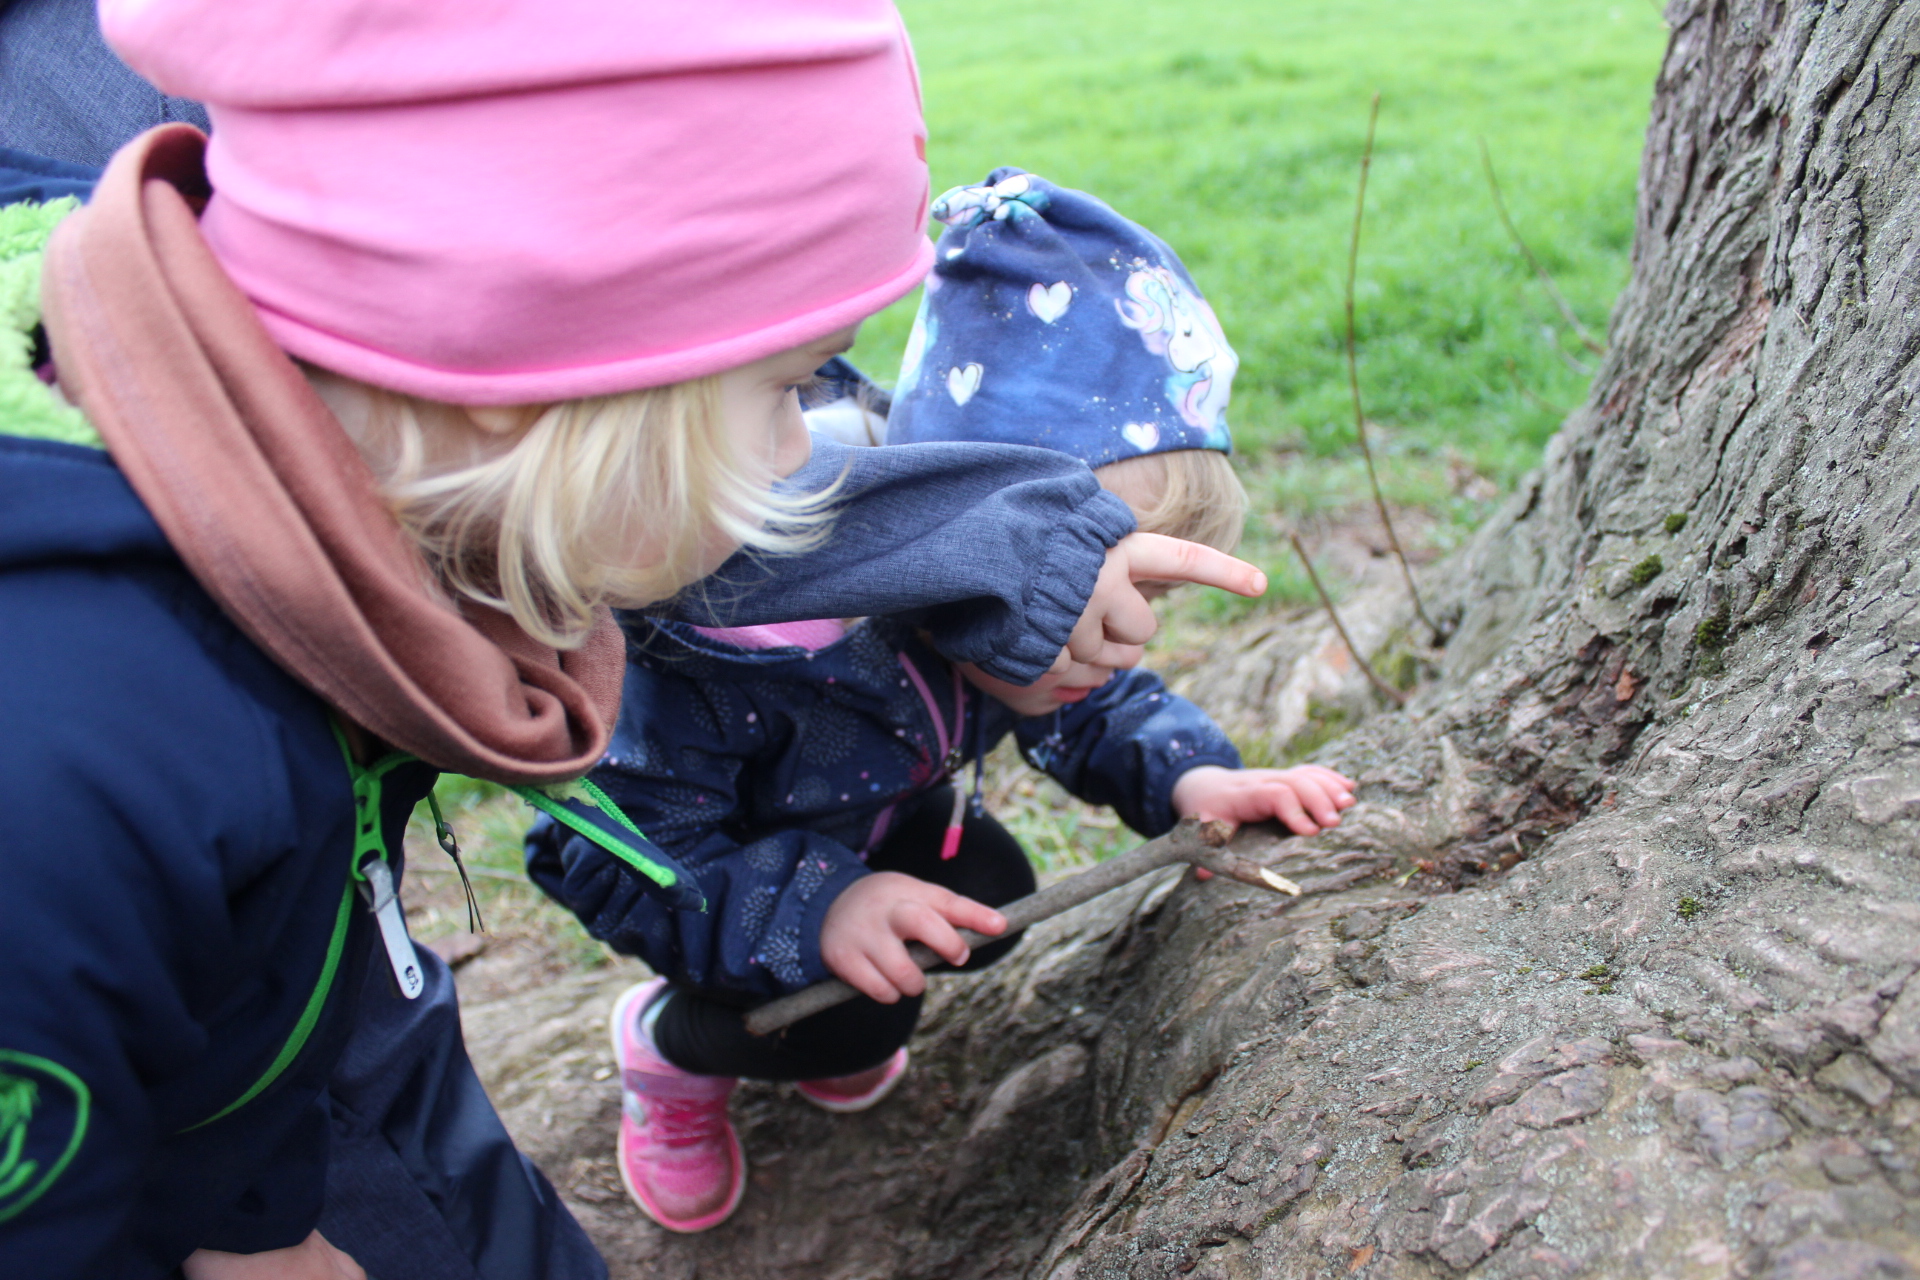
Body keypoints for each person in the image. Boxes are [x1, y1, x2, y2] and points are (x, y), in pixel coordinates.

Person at [0, 8, 1267, 1278]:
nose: (805, 457)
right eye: (785, 389)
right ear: (541, 372)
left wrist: (256, 1215)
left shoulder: (336, 562)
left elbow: (256, 1005)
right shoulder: (81, 777)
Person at [528, 169, 1355, 1235]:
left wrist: (1197, 775)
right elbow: (628, 848)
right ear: (978, 553)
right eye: (1099, 593)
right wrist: (821, 907)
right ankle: (673, 1050)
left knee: (989, 893)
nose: (1131, 632)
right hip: (704, 867)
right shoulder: (741, 637)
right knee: (850, 1025)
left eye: (1144, 596)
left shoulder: (1000, 634)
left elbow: (1090, 709)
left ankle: (825, 1002)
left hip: (875, 811)